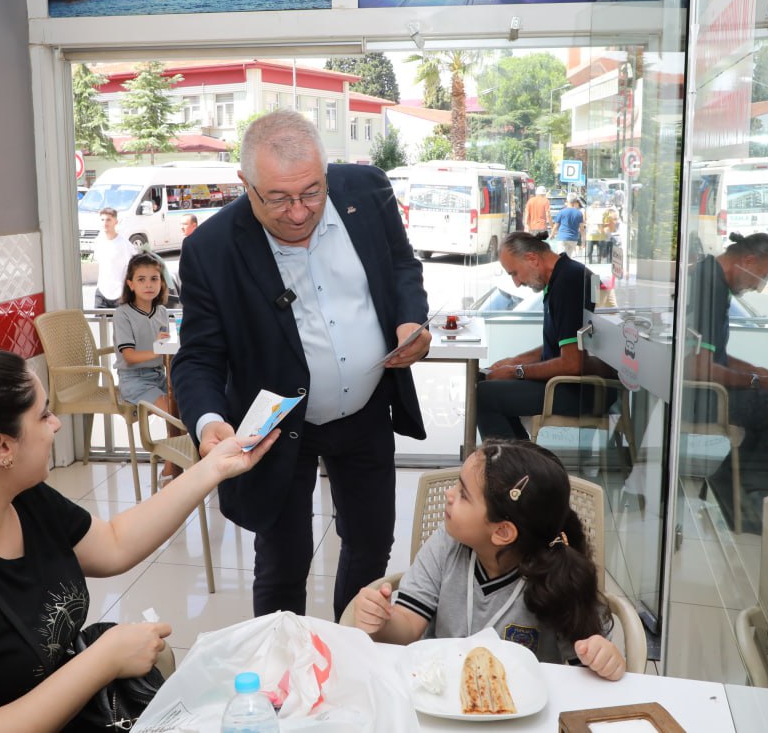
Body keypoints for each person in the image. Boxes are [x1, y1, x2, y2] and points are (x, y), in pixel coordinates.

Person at [0, 346, 277, 731]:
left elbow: (113, 544)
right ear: (1, 448)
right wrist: (104, 659)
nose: (56, 423)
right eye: (43, 414)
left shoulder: (21, 499)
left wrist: (213, 470)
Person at [172, 109, 430, 621]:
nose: (298, 212)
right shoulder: (211, 249)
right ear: (245, 185)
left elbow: (403, 265)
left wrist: (409, 322)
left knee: (370, 545)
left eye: (312, 193)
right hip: (277, 425)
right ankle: (283, 679)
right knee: (282, 563)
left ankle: (352, 652)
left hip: (365, 412)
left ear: (327, 174)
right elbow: (198, 354)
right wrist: (208, 422)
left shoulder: (368, 192)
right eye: (279, 198)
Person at [350, 440, 626, 678]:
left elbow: (591, 669)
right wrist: (382, 621)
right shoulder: (447, 545)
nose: (448, 494)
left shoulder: (556, 576)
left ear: (502, 531)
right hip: (442, 698)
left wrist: (605, 659)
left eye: (463, 494)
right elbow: (407, 626)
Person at [684, 233, 768, 534]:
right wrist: (755, 380)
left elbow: (717, 357)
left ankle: (732, 480)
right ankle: (750, 495)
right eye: (761, 276)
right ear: (747, 261)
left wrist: (760, 373)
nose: (758, 286)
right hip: (700, 396)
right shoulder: (708, 286)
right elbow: (699, 367)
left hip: (708, 388)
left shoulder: (712, 278)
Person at [477, 232, 608, 440]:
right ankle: (521, 461)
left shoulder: (568, 281)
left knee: (484, 396)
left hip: (581, 390)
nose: (517, 283)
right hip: (566, 383)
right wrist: (515, 361)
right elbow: (558, 347)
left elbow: (573, 363)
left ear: (532, 259)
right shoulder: (560, 278)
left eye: (515, 273)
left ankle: (515, 466)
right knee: (485, 382)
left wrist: (516, 372)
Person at [114, 253, 181, 483]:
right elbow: (130, 356)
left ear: (162, 282)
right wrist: (159, 349)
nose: (148, 285)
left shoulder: (161, 311)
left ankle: (175, 465)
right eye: (141, 279)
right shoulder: (123, 314)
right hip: (134, 380)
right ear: (130, 284)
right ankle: (170, 470)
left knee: (186, 406)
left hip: (159, 376)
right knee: (173, 414)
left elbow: (164, 355)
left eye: (154, 278)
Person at [93, 207, 139, 310]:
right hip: (102, 291)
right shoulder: (98, 241)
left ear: (116, 222)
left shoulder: (124, 243)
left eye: (108, 219)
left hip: (120, 293)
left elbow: (135, 264)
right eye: (102, 220)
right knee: (100, 324)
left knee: (120, 326)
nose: (105, 223)